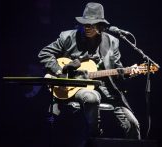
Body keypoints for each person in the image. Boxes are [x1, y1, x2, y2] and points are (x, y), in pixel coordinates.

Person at [38, 2, 141, 141]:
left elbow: (118, 70)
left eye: (91, 24)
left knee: (133, 125)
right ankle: (94, 136)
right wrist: (59, 71)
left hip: (107, 90)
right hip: (78, 86)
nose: (87, 27)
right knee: (91, 97)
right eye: (84, 23)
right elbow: (44, 53)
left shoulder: (112, 42)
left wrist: (128, 73)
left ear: (100, 26)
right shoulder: (68, 37)